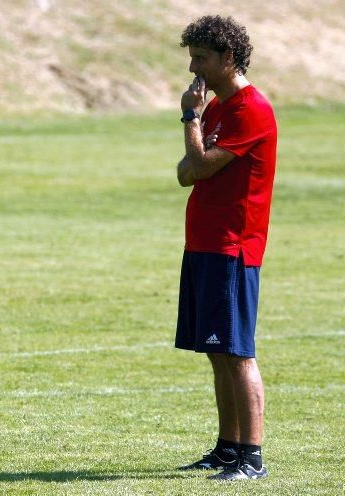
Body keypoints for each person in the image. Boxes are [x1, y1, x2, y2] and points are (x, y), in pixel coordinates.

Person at [173, 15, 277, 481]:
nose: (193, 67)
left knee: (238, 352)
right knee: (217, 350)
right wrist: (198, 143)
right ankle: (227, 447)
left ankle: (251, 457)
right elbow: (185, 173)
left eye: (201, 58)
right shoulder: (219, 107)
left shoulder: (249, 109)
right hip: (204, 244)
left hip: (232, 248)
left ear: (228, 58)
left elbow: (199, 165)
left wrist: (190, 118)